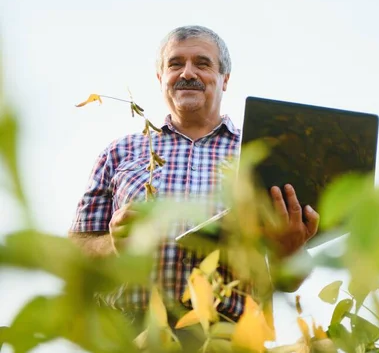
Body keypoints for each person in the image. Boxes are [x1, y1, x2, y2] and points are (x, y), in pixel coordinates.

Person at [68, 25, 320, 329]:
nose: (187, 73)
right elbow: (76, 253)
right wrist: (113, 243)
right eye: (175, 64)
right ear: (161, 78)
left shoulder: (262, 155)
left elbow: (290, 281)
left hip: (233, 337)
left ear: (224, 79)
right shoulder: (119, 153)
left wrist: (290, 251)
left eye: (202, 63)